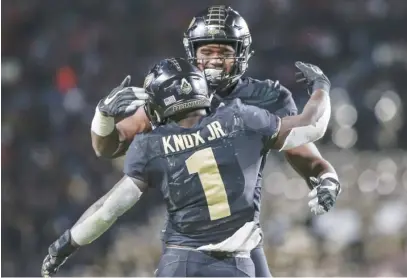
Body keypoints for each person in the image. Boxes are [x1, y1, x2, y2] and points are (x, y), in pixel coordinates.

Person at [89, 6, 341, 277]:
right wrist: (103, 116)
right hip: (186, 238)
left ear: (242, 54)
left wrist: (327, 178)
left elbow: (304, 155)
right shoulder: (173, 90)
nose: (215, 60)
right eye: (206, 51)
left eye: (225, 52)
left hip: (241, 237)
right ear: (192, 53)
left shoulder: (267, 97)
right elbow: (109, 146)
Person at [42, 58, 335, 277]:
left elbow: (109, 209)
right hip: (237, 262)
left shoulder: (150, 145)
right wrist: (321, 87)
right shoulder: (242, 118)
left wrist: (65, 245)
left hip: (179, 263)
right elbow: (313, 125)